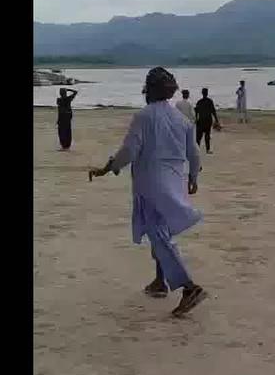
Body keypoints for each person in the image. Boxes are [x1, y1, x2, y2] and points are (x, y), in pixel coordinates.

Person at [89, 67, 208, 316]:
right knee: (160, 232)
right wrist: (194, 177)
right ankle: (159, 281)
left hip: (150, 184)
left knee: (157, 232)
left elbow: (130, 151)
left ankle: (189, 287)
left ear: (150, 90)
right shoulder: (182, 120)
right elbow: (194, 153)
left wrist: (109, 167)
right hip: (174, 182)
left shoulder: (144, 116)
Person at [194, 87, 221, 154]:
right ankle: (207, 149)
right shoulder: (210, 101)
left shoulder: (199, 102)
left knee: (198, 137)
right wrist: (216, 120)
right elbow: (213, 111)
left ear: (202, 93)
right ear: (207, 93)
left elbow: (196, 112)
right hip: (208, 121)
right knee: (207, 136)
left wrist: (195, 120)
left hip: (200, 121)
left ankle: (196, 150)